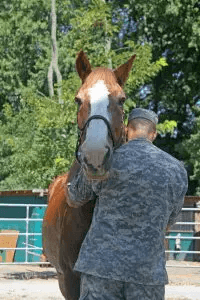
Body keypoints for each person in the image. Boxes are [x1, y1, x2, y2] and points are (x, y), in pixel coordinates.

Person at [67, 108, 188, 300]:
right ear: (154, 134)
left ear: (126, 130)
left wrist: (82, 163)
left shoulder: (106, 159)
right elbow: (168, 223)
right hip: (147, 273)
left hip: (101, 268)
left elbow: (74, 197)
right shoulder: (176, 170)